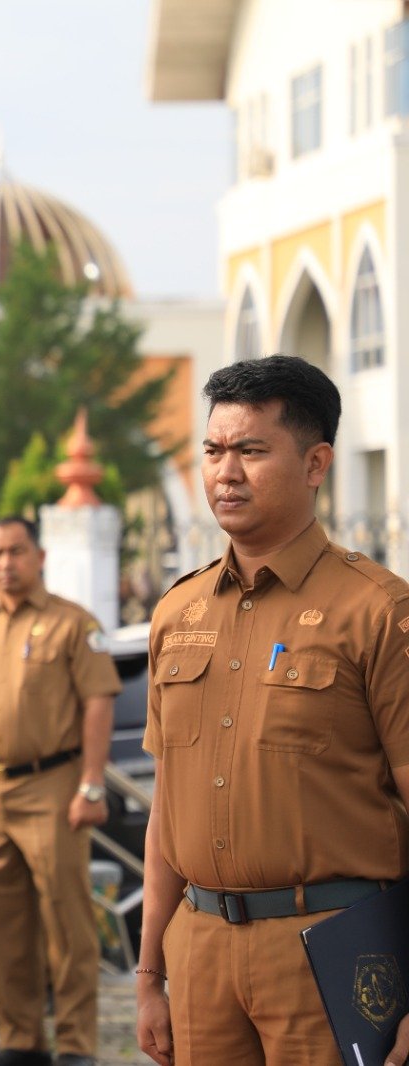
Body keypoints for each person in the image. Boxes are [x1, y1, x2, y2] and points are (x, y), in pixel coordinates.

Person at [135, 356, 409, 1066]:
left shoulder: (378, 610)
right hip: (199, 948)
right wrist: (149, 974)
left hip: (328, 947)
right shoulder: (178, 611)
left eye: (252, 450)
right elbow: (167, 808)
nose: (226, 472)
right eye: (214, 450)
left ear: (316, 463)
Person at [0, 516, 119, 1066]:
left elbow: (99, 702)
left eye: (16, 551)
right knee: (2, 920)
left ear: (40, 557)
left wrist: (91, 783)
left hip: (52, 784)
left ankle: (74, 1042)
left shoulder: (73, 623)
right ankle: (19, 1039)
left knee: (67, 921)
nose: (4, 563)